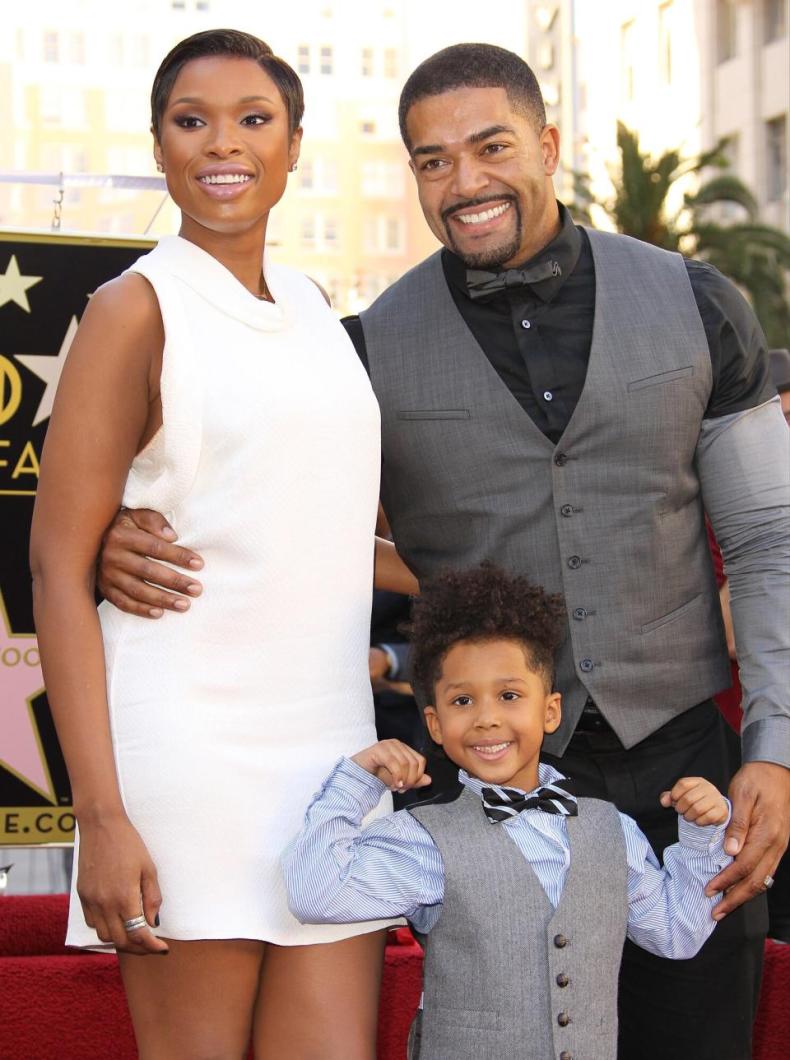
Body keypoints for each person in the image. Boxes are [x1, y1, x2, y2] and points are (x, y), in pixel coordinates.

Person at [95, 43, 789, 1058]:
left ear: (548, 145)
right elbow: (265, 510)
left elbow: (769, 540)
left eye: (491, 147)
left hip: (684, 778)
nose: (464, 181)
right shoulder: (361, 350)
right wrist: (123, 533)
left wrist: (774, 747)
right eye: (432, 160)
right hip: (480, 785)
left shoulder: (697, 302)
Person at [29, 29, 417, 1060]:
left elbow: (319, 530)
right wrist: (100, 815)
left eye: (254, 118)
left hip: (335, 757)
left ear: (294, 145)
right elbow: (57, 570)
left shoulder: (313, 308)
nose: (222, 143)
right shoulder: (131, 309)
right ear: (158, 145)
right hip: (187, 755)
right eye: (190, 121)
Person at [284, 564, 733, 1060]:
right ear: (435, 724)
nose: (487, 718)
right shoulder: (421, 839)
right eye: (462, 700)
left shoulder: (613, 830)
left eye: (509, 695)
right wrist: (357, 780)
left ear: (551, 711)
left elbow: (677, 934)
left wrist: (701, 833)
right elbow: (316, 894)